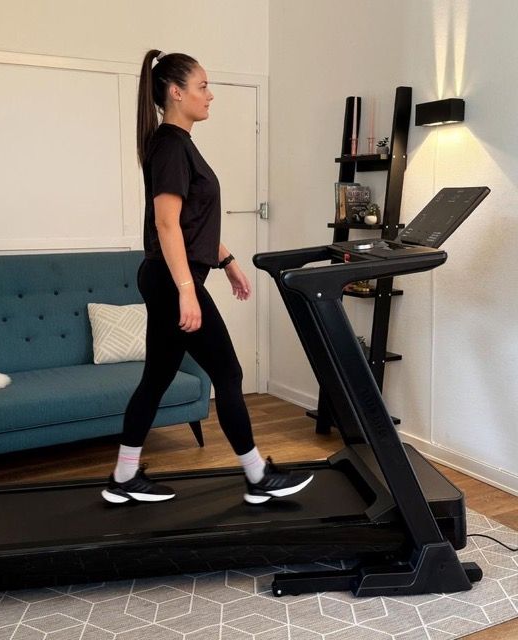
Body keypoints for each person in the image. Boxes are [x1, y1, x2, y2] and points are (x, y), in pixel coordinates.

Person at [102, 49, 313, 505]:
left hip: (165, 277)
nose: (210, 95)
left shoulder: (176, 143)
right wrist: (186, 291)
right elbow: (166, 224)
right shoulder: (171, 146)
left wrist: (228, 260)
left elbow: (194, 222)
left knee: (157, 377)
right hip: (169, 279)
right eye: (202, 86)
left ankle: (124, 476)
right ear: (175, 93)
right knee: (229, 373)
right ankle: (257, 477)